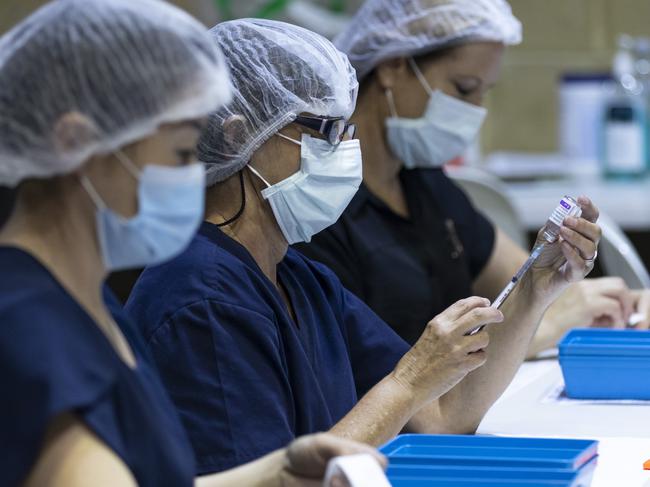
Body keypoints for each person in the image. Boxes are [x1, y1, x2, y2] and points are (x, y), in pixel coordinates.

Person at [125, 17, 601, 475]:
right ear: (238, 135)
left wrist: (536, 287)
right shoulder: (202, 300)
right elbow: (276, 478)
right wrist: (408, 380)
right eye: (324, 132)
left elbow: (440, 419)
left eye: (346, 130)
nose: (344, 151)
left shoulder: (301, 280)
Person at [0, 1, 385, 486]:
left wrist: (275, 475)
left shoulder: (84, 300)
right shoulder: (26, 326)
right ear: (77, 143)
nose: (200, 175)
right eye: (183, 153)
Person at [295, 0, 650, 356]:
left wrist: (625, 305)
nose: (474, 111)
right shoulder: (323, 204)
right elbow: (373, 372)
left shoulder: (424, 184)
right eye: (464, 88)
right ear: (394, 66)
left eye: (483, 92)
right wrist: (546, 327)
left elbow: (528, 283)